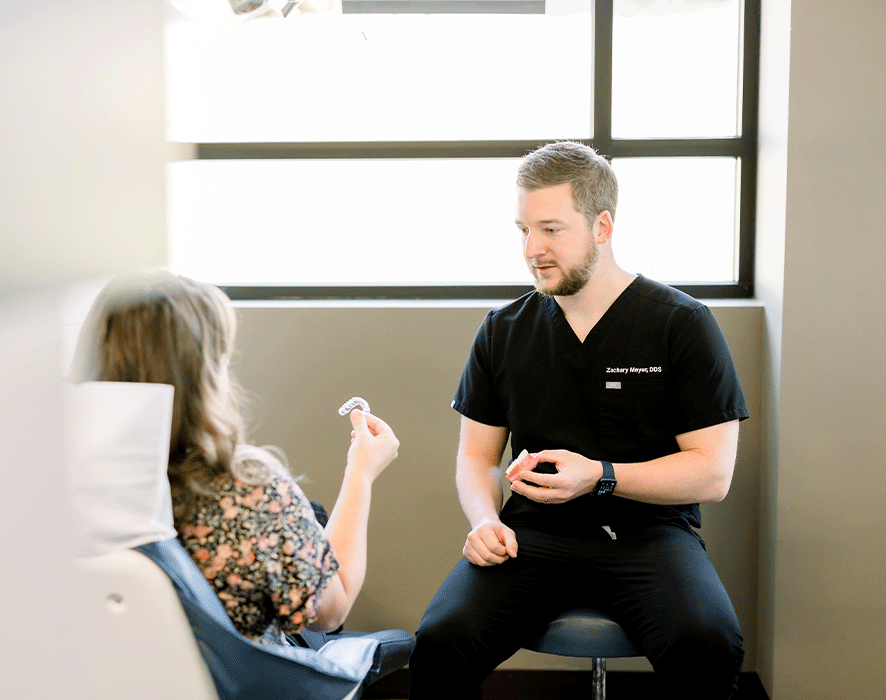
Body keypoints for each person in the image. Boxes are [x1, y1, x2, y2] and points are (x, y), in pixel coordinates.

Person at [408, 141, 748, 699]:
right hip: (534, 533)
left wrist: (600, 475)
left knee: (707, 641)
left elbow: (712, 474)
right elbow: (476, 456)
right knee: (442, 639)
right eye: (523, 230)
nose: (532, 249)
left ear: (602, 226)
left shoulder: (682, 324)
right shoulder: (502, 330)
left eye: (551, 229)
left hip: (651, 534)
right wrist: (483, 521)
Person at [72, 270, 399, 645]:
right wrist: (361, 472)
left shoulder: (49, 477)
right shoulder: (247, 490)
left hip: (109, 665)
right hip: (232, 678)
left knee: (313, 511)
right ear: (205, 372)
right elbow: (328, 612)